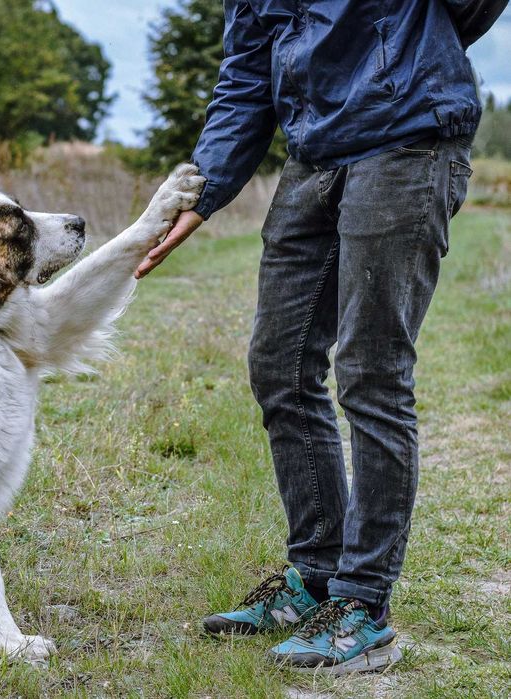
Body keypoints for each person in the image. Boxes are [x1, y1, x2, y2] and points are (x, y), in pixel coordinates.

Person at [134, 0, 508, 675]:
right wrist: (205, 190)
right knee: (277, 365)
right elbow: (246, 73)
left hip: (407, 139)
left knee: (370, 372)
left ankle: (363, 603)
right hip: (313, 155)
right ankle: (314, 577)